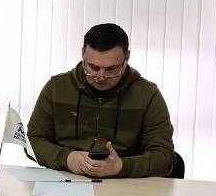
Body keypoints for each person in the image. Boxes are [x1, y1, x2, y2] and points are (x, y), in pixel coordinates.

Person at [27, 23, 174, 178]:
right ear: (82, 54)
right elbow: (32, 141)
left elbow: (165, 157)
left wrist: (121, 166)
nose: (101, 76)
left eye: (111, 69)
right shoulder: (56, 88)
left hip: (124, 185)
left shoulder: (147, 94)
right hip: (65, 179)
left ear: (127, 57)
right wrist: (67, 158)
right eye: (93, 67)